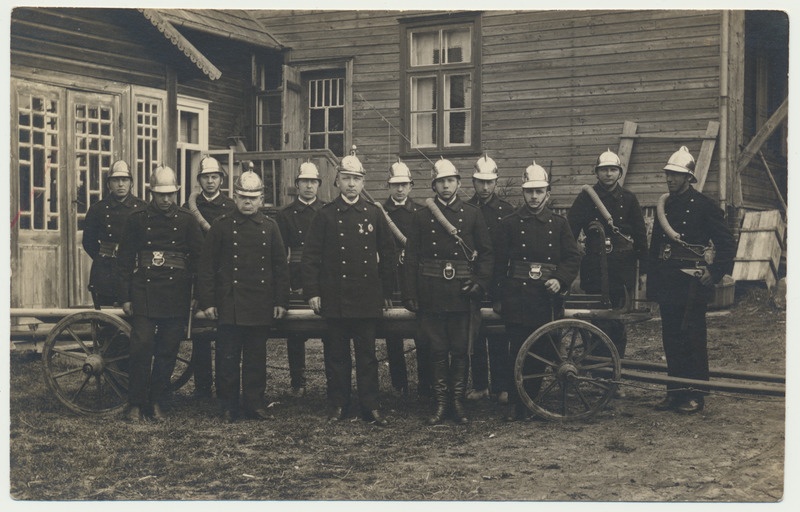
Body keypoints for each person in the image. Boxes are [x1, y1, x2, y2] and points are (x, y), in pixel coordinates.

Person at [301, 148, 396, 426]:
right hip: (335, 298)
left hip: (366, 298)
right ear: (337, 182)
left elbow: (388, 254)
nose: (351, 183)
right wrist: (313, 292)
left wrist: (387, 291)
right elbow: (310, 257)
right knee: (336, 356)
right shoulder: (325, 215)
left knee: (367, 357)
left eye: (356, 178)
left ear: (363, 182)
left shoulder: (374, 214)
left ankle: (370, 406)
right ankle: (337, 405)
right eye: (346, 178)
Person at [403, 158, 493, 425]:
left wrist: (479, 283)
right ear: (434, 185)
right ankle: (441, 404)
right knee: (437, 349)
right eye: (441, 181)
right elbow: (411, 258)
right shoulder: (421, 217)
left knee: (460, 349)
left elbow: (487, 254)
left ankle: (457, 403)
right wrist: (411, 293)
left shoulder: (472, 214)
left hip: (462, 294)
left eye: (450, 180)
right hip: (431, 292)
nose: (445, 186)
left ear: (458, 183)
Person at [196, 170, 289, 423]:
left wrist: (281, 301)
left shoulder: (270, 227)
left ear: (261, 200)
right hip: (230, 303)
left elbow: (280, 267)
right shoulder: (221, 226)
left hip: (260, 303)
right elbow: (206, 267)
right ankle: (228, 405)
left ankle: (255, 404)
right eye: (243, 197)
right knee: (227, 358)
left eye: (253, 197)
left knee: (256, 358)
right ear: (234, 197)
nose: (247, 202)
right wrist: (209, 302)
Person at [647, 146, 735, 414]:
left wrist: (716, 272)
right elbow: (655, 247)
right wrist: (653, 285)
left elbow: (726, 242)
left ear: (689, 178)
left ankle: (695, 395)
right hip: (668, 281)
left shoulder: (704, 206)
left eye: (676, 175)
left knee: (692, 337)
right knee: (671, 337)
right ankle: (674, 392)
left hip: (692, 283)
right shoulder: (665, 205)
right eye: (668, 174)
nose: (670, 179)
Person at [492, 162, 581, 421]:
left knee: (540, 350)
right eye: (530, 191)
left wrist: (560, 280)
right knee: (516, 350)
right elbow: (498, 264)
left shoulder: (559, 224)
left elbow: (572, 258)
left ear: (547, 193)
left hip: (545, 298)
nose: (534, 196)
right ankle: (515, 403)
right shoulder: (509, 223)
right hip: (516, 297)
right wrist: (497, 297)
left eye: (539, 191)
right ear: (523, 192)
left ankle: (531, 401)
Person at [116, 165, 204, 422]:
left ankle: (157, 402)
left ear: (176, 193)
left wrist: (198, 294)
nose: (166, 200)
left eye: (170, 194)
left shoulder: (187, 220)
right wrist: (126, 297)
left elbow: (200, 260)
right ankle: (135, 403)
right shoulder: (137, 218)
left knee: (167, 350)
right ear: (151, 193)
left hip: (176, 293)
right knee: (141, 346)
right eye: (160, 194)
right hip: (144, 291)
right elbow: (124, 260)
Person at [567, 149, 648, 398]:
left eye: (613, 169)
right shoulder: (586, 199)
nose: (608, 174)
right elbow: (569, 231)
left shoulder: (629, 199)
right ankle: (596, 375)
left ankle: (614, 376)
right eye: (604, 170)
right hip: (594, 269)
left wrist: (643, 270)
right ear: (597, 172)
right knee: (596, 321)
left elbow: (641, 236)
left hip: (621, 270)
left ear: (619, 172)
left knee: (617, 323)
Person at [183, 156, 235, 399]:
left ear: (221, 180)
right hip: (197, 275)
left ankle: (226, 387)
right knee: (200, 333)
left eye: (215, 177)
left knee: (225, 332)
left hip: (225, 276)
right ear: (199, 181)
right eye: (206, 177)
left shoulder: (231, 207)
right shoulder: (190, 209)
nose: (211, 181)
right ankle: (203, 387)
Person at [465, 154, 513, 404]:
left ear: (496, 183)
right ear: (473, 182)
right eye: (480, 182)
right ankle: (481, 384)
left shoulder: (506, 212)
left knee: (500, 335)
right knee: (476, 332)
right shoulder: (465, 210)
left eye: (490, 182)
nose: (485, 188)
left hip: (499, 282)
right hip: (473, 281)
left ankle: (502, 386)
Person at [276, 161, 326, 398]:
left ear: (319, 185)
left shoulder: (326, 212)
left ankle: (331, 381)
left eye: (313, 182)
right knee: (295, 332)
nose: (309, 186)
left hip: (322, 276)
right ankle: (298, 381)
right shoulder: (285, 215)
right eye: (304, 181)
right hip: (295, 276)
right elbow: (280, 254)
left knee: (329, 331)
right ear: (297, 185)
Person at [380, 158, 430, 398]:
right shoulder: (379, 213)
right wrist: (384, 290)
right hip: (391, 280)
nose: (399, 189)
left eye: (404, 185)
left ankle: (425, 384)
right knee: (393, 334)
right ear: (388, 187)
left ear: (411, 186)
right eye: (395, 185)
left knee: (422, 333)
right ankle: (399, 384)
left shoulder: (422, 212)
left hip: (416, 281)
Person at [82, 160, 147, 307]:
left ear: (131, 183)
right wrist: (105, 256)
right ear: (108, 184)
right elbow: (88, 242)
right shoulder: (98, 209)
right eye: (116, 180)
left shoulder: (142, 208)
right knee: (106, 316)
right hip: (106, 269)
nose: (120, 184)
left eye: (124, 180)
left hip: (134, 269)